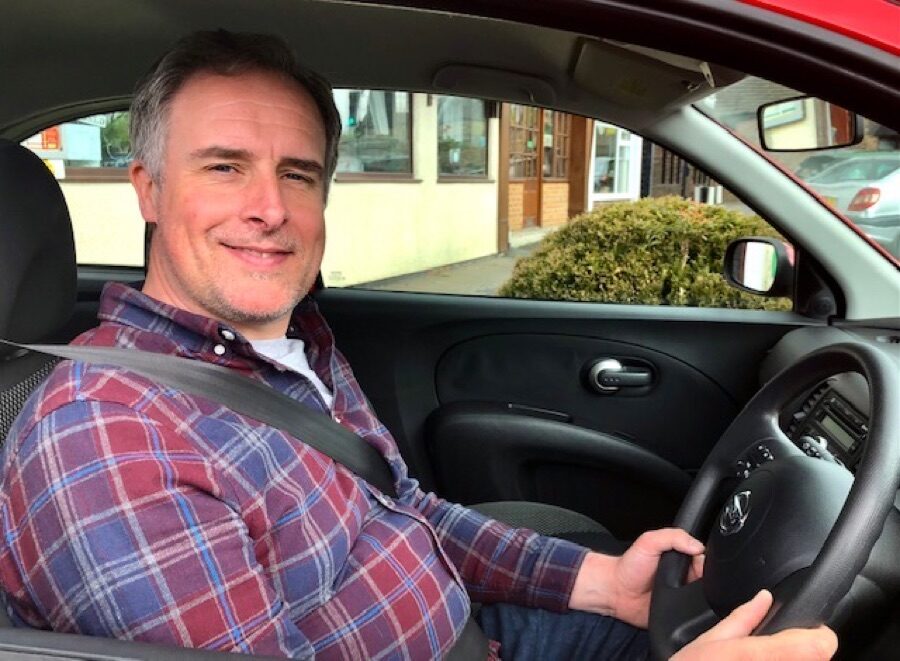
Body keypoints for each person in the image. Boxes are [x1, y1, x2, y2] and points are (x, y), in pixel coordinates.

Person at [0, 30, 837, 660]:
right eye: (224, 167)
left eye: (298, 174)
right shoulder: (107, 436)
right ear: (148, 189)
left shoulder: (293, 344)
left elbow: (403, 507)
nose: (270, 207)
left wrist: (600, 584)